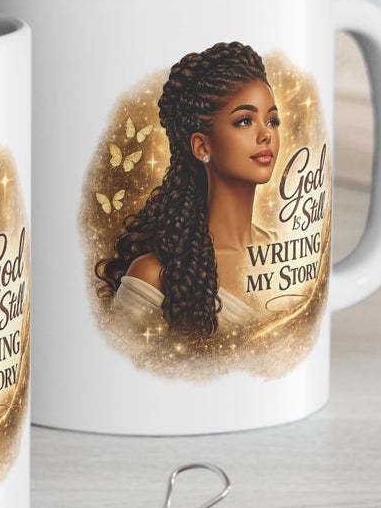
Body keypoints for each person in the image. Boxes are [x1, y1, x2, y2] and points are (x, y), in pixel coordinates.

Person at [97, 42, 282, 339]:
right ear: (202, 146)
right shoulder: (153, 275)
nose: (266, 134)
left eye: (272, 120)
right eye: (244, 120)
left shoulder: (280, 250)